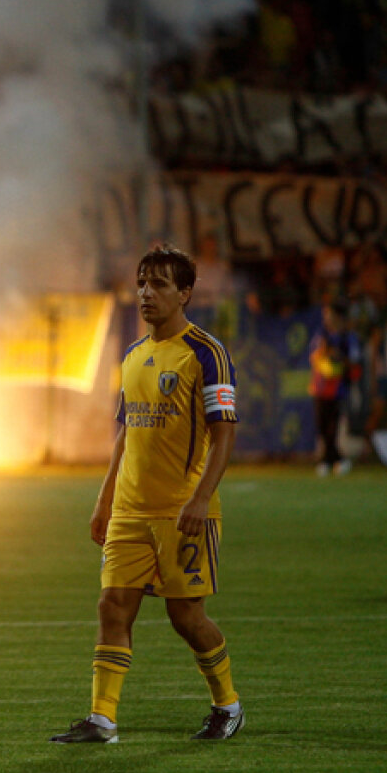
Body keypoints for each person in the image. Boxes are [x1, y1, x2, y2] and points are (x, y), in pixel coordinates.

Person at [51, 245, 242, 745]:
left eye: (158, 284)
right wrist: (103, 500)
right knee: (112, 606)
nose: (145, 293)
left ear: (184, 294)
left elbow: (225, 431)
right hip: (130, 512)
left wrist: (201, 499)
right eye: (141, 282)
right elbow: (124, 435)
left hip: (181, 513)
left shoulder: (206, 352)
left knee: (186, 618)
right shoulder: (134, 356)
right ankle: (102, 719)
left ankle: (228, 704)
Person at [308, 299, 362, 475]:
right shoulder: (321, 334)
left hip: (338, 388)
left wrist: (337, 356)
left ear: (338, 316)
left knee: (333, 425)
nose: (326, 318)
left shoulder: (348, 337)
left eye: (329, 314)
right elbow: (314, 356)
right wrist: (323, 352)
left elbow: (353, 362)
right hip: (320, 387)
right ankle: (333, 459)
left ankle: (331, 460)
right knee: (321, 425)